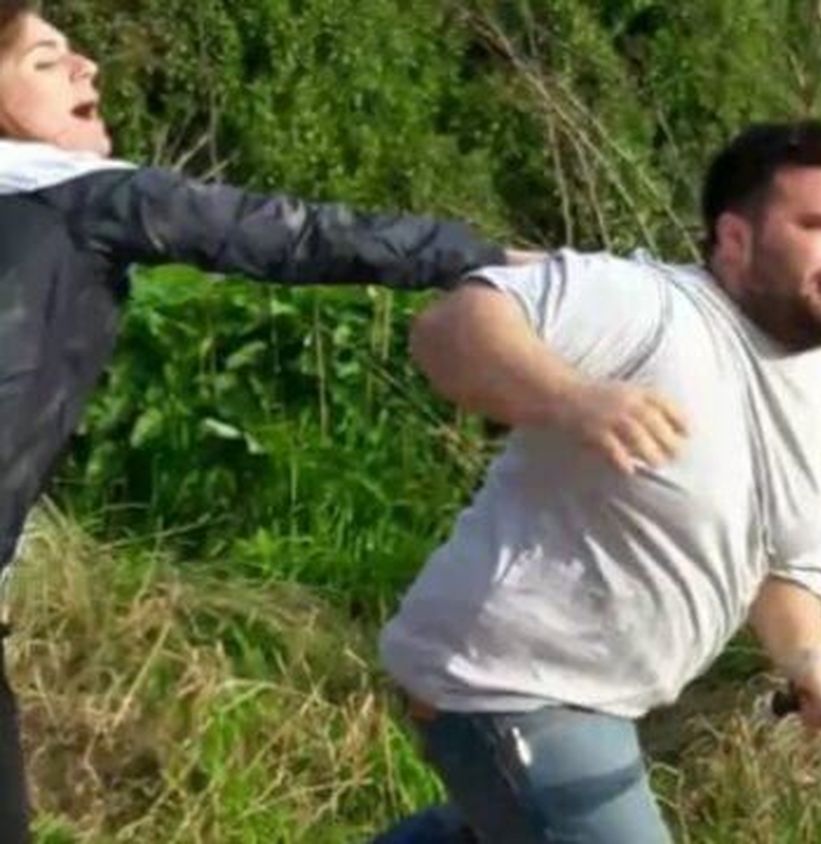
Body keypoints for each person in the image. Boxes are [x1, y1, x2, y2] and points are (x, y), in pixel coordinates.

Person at [0, 3, 512, 838]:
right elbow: (290, 235)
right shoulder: (69, 195)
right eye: (47, 62)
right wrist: (484, 258)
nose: (87, 67)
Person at [376, 118, 821, 843]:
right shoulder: (646, 304)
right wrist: (568, 397)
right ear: (734, 239)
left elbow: (788, 570)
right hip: (503, 680)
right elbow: (449, 329)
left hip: (606, 704)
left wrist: (809, 660)